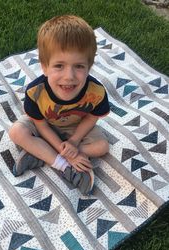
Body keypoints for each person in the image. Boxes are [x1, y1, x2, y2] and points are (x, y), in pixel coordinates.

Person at [9, 15, 110, 195]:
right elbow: (40, 124)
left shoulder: (96, 91)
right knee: (17, 131)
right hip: (46, 125)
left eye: (79, 66)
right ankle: (64, 166)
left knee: (102, 147)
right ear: (44, 66)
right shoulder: (35, 92)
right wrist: (66, 152)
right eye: (59, 66)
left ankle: (40, 154)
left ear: (89, 66)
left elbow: (93, 116)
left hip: (76, 128)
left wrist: (73, 142)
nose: (69, 76)